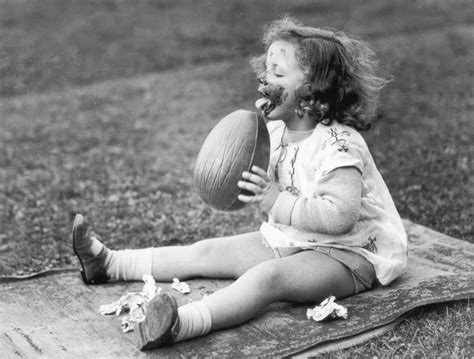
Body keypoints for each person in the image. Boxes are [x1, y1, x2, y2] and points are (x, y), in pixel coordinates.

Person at [72, 16, 407, 351]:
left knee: (268, 278)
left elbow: (340, 217)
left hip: (347, 254)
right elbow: (260, 184)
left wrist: (276, 202)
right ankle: (109, 264)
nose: (265, 80)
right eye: (266, 72)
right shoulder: (275, 132)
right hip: (293, 238)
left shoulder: (338, 144)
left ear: (313, 89)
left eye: (278, 74)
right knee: (206, 251)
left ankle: (178, 324)